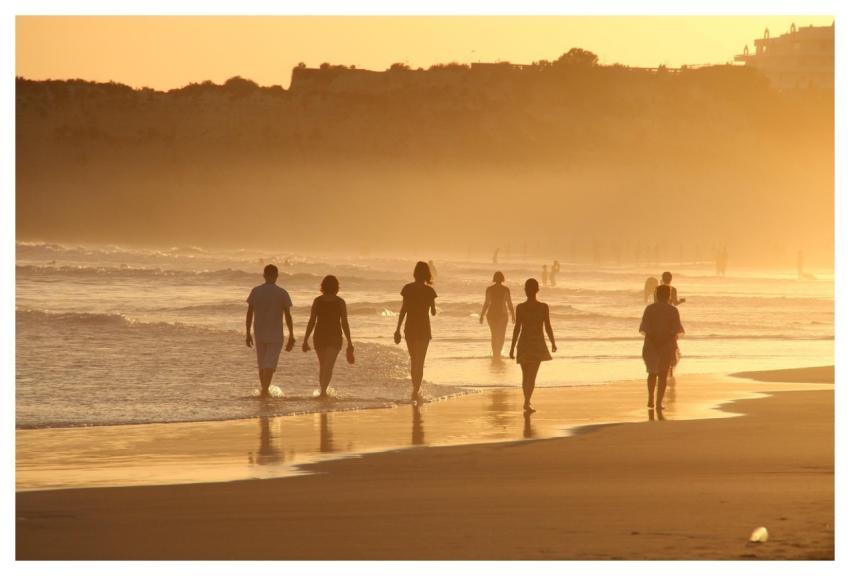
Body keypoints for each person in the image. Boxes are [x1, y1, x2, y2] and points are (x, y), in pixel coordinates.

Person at [245, 264, 295, 398]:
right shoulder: (282, 292)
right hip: (276, 334)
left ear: (264, 275)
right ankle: (265, 390)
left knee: (262, 364)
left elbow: (249, 313)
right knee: (270, 364)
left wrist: (247, 332)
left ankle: (264, 390)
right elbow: (288, 315)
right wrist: (291, 334)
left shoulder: (256, 291)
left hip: (259, 333)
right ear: (277, 276)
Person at [509, 278, 557, 414]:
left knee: (525, 376)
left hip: (523, 344)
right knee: (532, 376)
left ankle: (527, 401)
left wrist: (512, 347)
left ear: (525, 290)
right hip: (537, 344)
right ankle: (526, 402)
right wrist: (553, 342)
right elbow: (547, 326)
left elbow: (517, 328)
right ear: (537, 290)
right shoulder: (543, 307)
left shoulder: (520, 307)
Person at [302, 275, 354, 398]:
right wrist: (349, 342)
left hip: (323, 336)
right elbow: (344, 323)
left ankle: (323, 391)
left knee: (325, 365)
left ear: (323, 286)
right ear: (337, 287)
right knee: (326, 366)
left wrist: (306, 340)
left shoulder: (318, 301)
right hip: (330, 336)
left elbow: (312, 321)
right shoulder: (339, 302)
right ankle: (323, 391)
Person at [394, 261, 437, 403]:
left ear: (415, 273)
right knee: (420, 361)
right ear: (427, 274)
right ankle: (416, 390)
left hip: (410, 328)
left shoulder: (407, 288)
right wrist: (431, 306)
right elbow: (433, 311)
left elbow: (403, 310)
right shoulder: (430, 291)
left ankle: (415, 388)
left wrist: (397, 329)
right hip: (424, 329)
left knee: (414, 360)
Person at [639, 284, 684, 411]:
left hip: (651, 344)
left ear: (656, 295)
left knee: (652, 372)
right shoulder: (673, 310)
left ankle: (650, 399)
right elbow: (676, 330)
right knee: (663, 374)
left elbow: (645, 329)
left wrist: (654, 341)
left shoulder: (649, 309)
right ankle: (658, 403)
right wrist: (665, 341)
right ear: (668, 296)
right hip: (667, 345)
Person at [479, 271, 515, 358]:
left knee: (494, 335)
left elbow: (486, 303)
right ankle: (497, 353)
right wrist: (513, 315)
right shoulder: (506, 289)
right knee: (501, 335)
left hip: (491, 315)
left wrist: (482, 315)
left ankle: (495, 354)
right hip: (502, 315)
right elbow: (509, 303)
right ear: (502, 278)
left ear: (494, 278)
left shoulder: (489, 289)